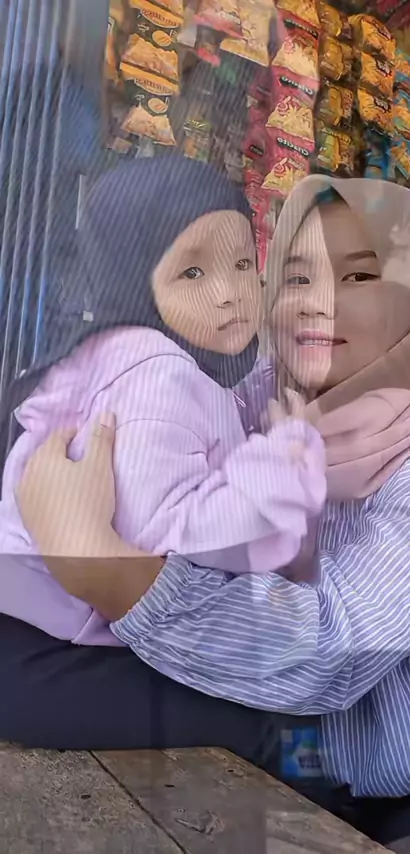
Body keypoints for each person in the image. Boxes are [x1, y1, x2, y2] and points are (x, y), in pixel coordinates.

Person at [13, 175, 410, 850]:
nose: (316, 303)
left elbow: (328, 651)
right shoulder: (272, 393)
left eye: (359, 278)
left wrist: (105, 568)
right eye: (295, 277)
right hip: (288, 746)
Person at [0, 153, 326, 647]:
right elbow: (173, 540)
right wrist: (281, 469)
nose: (231, 293)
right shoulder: (158, 377)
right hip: (82, 636)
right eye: (192, 273)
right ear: (133, 283)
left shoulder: (136, 357)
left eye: (242, 263)